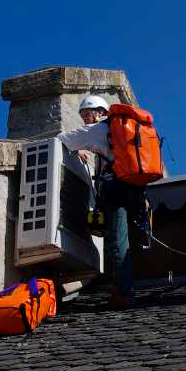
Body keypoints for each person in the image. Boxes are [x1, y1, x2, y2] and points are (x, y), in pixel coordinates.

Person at [58, 95, 144, 310]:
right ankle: (119, 286)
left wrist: (77, 148)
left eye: (89, 113)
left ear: (102, 113)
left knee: (116, 242)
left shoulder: (97, 130)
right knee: (117, 239)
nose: (86, 118)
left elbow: (61, 140)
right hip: (132, 188)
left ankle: (125, 292)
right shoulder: (115, 131)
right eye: (83, 114)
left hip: (116, 190)